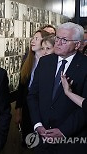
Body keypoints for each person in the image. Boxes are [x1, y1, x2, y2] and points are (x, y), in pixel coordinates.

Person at [27, 22, 87, 154]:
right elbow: (33, 96)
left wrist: (63, 131)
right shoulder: (45, 62)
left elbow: (84, 107)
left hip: (72, 141)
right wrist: (38, 125)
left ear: (77, 45)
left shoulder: (84, 66)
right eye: (57, 38)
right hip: (42, 139)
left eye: (64, 40)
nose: (58, 43)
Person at [15, 29, 51, 147]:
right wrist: (18, 110)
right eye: (32, 38)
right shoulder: (28, 60)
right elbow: (22, 87)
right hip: (27, 107)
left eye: (36, 38)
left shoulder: (49, 62)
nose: (32, 41)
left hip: (42, 108)